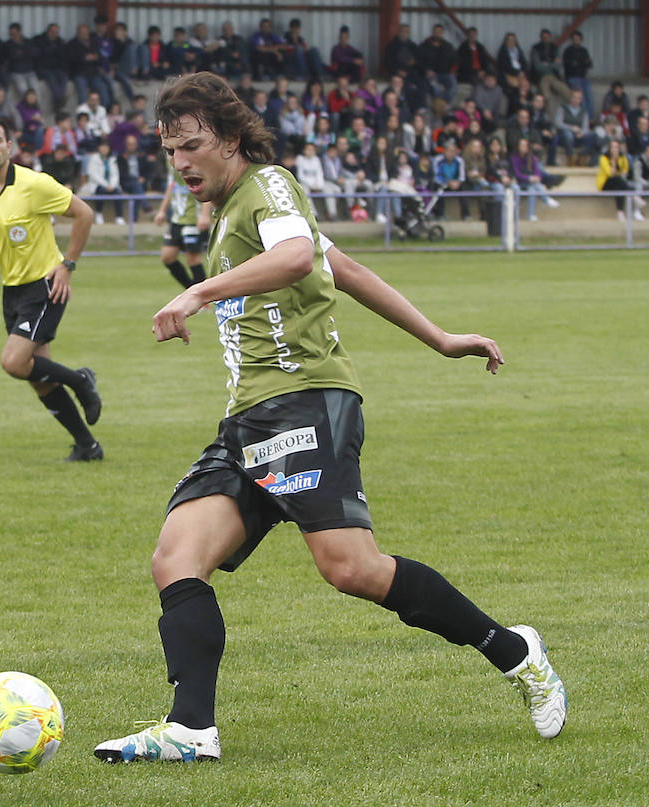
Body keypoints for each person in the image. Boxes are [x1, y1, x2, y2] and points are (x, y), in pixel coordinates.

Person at [92, 72, 567, 764]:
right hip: (250, 418)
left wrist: (199, 290)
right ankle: (190, 727)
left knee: (351, 568)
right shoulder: (230, 208)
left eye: (192, 145)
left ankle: (516, 651)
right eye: (170, 152)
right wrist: (439, 337)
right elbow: (340, 265)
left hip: (306, 402)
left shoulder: (270, 186)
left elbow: (296, 257)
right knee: (177, 555)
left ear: (230, 139)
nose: (181, 163)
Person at [0, 116, 103, 462]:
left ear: (10, 145)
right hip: (13, 291)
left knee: (14, 362)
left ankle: (82, 380)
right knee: (40, 378)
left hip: (46, 285)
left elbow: (84, 214)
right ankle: (87, 446)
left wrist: (68, 265)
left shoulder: (34, 184)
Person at [155, 158, 210, 288]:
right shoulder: (171, 164)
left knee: (193, 259)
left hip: (192, 220)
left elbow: (207, 187)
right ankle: (190, 292)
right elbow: (172, 186)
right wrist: (162, 211)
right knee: (167, 257)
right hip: (176, 219)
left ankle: (202, 297)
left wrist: (204, 214)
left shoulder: (193, 162)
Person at [597, 138, 641, 221]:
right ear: (609, 149)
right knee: (617, 179)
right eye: (613, 147)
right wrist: (613, 161)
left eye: (616, 147)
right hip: (605, 184)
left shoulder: (622, 157)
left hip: (618, 183)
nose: (615, 150)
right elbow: (610, 174)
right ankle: (634, 195)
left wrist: (621, 172)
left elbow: (625, 170)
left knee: (619, 187)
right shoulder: (603, 158)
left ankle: (620, 212)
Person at [561, 31, 593, 122]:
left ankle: (589, 118)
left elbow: (589, 64)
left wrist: (579, 63)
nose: (576, 41)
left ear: (581, 40)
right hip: (573, 77)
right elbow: (569, 66)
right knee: (581, 98)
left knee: (589, 97)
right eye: (574, 39)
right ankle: (583, 118)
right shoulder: (568, 51)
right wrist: (581, 63)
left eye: (578, 39)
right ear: (571, 40)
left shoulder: (584, 50)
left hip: (583, 77)